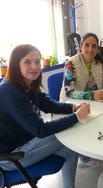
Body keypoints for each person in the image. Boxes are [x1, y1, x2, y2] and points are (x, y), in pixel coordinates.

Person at [0, 44, 90, 188]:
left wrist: (73, 107)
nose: (35, 67)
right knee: (70, 135)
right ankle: (86, 156)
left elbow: (48, 105)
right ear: (16, 65)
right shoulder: (8, 92)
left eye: (37, 61)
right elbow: (40, 130)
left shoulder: (28, 84)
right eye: (28, 62)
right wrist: (76, 117)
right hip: (11, 156)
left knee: (69, 148)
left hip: (27, 141)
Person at [62, 32, 103, 101]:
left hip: (97, 102)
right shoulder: (71, 64)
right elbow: (68, 92)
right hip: (76, 104)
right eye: (87, 45)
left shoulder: (101, 62)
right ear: (81, 46)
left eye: (94, 46)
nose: (90, 49)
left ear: (97, 49)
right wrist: (91, 95)